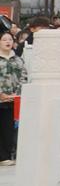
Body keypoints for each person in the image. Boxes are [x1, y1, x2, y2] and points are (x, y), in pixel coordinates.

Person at [0, 30, 27, 166]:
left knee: (9, 128)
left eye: (10, 39)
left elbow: (24, 77)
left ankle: (7, 155)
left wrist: (17, 94)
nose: (8, 42)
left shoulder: (18, 60)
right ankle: (2, 156)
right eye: (4, 39)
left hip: (14, 99)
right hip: (1, 98)